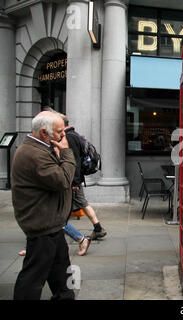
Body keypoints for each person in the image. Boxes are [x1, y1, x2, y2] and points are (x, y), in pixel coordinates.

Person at [11, 111, 76, 300]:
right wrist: (65, 152)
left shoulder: (40, 149)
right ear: (43, 133)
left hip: (51, 224)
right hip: (42, 224)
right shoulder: (34, 154)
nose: (63, 135)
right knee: (33, 276)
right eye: (59, 132)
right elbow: (63, 180)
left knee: (61, 274)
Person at [61, 114, 107, 240]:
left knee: (77, 204)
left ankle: (94, 230)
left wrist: (75, 182)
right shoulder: (74, 135)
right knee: (78, 203)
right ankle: (97, 228)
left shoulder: (69, 137)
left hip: (73, 180)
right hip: (74, 179)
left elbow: (74, 161)